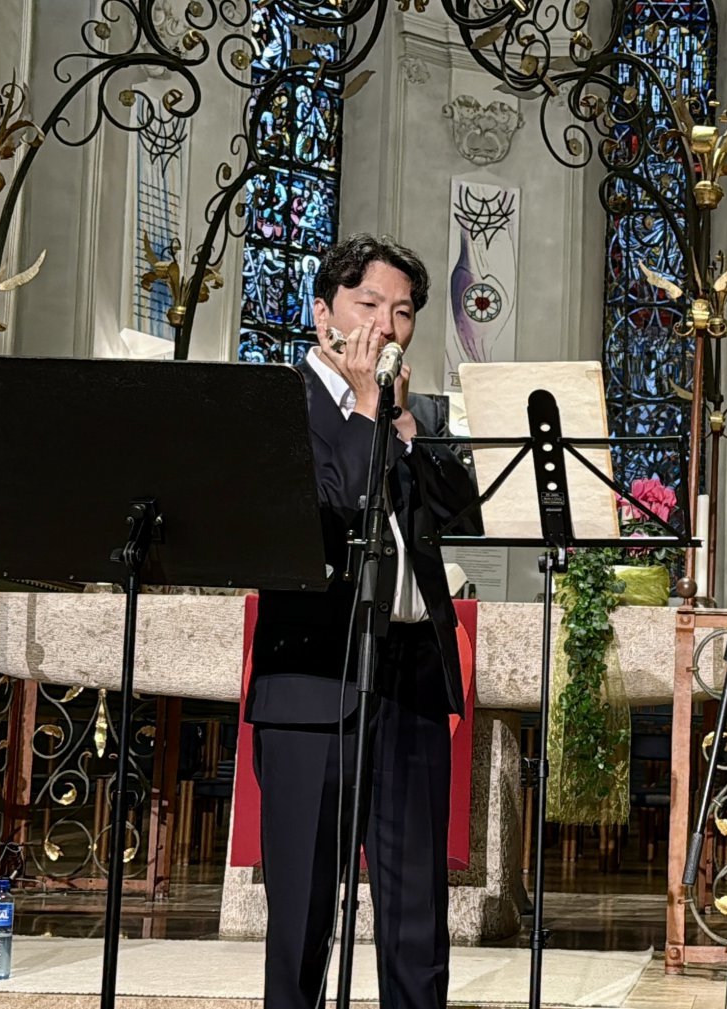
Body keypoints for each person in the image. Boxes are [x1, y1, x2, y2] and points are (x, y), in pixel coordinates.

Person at [245, 234, 480, 1009]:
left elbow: (463, 510)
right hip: (315, 682)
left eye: (404, 311)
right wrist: (371, 414)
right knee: (304, 913)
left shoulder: (416, 414)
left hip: (409, 676)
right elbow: (336, 506)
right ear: (324, 313)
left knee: (416, 917)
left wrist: (403, 424)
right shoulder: (285, 404)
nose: (387, 325)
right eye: (368, 304)